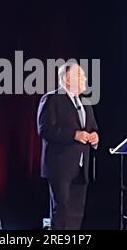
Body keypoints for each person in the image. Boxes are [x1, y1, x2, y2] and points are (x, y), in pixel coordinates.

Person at [37, 61, 99, 230]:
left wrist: (94, 136)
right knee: (62, 211)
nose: (84, 78)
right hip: (60, 165)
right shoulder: (52, 99)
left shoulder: (86, 103)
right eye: (79, 75)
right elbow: (45, 130)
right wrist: (74, 135)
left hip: (81, 166)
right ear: (67, 79)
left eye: (84, 75)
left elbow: (92, 127)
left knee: (77, 212)